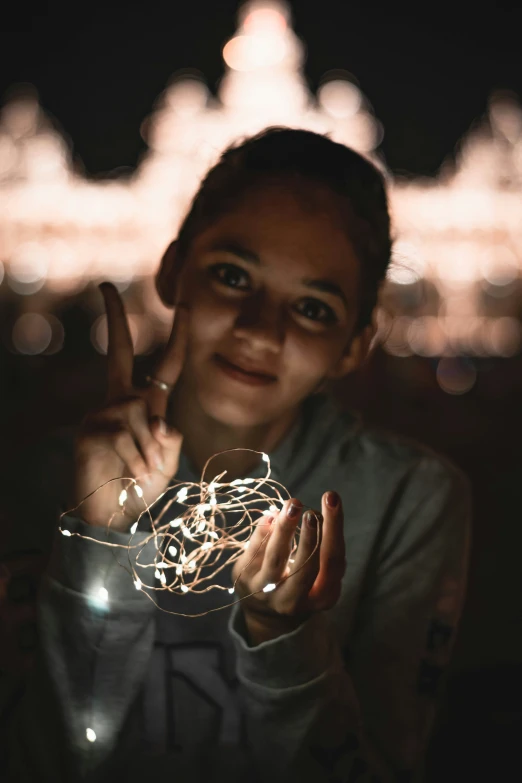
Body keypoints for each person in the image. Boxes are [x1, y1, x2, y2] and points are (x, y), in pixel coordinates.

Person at [5, 128, 471, 783]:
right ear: (171, 271)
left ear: (355, 343)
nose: (259, 330)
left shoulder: (406, 497)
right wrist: (100, 541)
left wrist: (286, 639)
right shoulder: (47, 479)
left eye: (312, 307)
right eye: (233, 275)